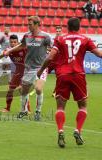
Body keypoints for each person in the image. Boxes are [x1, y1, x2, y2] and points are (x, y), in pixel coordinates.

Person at [37, 17, 102, 148]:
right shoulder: (86, 39)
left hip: (63, 75)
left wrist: (41, 70)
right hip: (78, 75)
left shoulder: (60, 39)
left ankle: (61, 131)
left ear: (67, 27)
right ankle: (78, 130)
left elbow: (50, 57)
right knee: (83, 106)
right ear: (79, 27)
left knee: (60, 107)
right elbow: (99, 54)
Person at [4, 16, 52, 121]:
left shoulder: (46, 37)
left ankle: (38, 111)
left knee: (38, 88)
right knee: (23, 91)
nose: (28, 26)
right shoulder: (27, 35)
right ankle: (23, 111)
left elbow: (53, 49)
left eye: (30, 24)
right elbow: (22, 45)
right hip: (29, 68)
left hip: (41, 68)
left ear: (36, 24)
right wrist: (10, 50)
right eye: (28, 24)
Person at [0, 35, 31, 113]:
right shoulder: (8, 50)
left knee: (23, 91)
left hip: (27, 71)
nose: (13, 43)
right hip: (18, 71)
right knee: (10, 90)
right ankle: (7, 108)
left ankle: (28, 109)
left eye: (14, 42)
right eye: (11, 42)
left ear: (18, 42)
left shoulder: (24, 48)